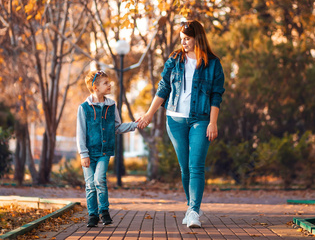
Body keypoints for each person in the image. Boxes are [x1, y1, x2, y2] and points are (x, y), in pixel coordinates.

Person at [137, 19, 225, 228]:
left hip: (201, 119)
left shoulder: (213, 63)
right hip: (175, 119)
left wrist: (213, 123)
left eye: (187, 39)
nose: (183, 43)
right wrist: (149, 114)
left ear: (197, 38)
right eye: (182, 39)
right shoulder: (175, 59)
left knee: (196, 167)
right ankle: (191, 205)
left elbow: (216, 95)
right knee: (185, 167)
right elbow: (163, 87)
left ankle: (193, 211)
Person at [76, 70, 137, 227]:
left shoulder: (112, 105)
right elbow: (80, 133)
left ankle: (104, 211)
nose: (109, 85)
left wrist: (135, 124)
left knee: (99, 179)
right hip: (88, 153)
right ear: (95, 87)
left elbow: (117, 127)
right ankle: (93, 215)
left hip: (104, 151)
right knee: (90, 185)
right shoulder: (84, 108)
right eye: (105, 83)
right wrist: (83, 154)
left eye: (109, 82)